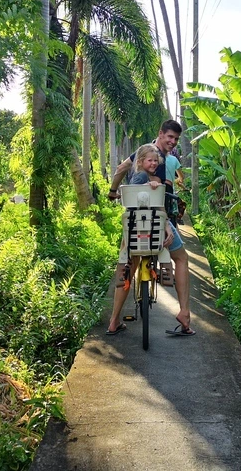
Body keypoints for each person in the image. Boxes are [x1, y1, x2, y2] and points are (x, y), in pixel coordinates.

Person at [106, 120, 194, 336]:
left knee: (127, 264)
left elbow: (120, 168)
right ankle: (184, 312)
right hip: (158, 221)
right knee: (181, 258)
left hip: (134, 223)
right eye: (170, 137)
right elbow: (156, 198)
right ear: (161, 133)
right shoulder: (161, 160)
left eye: (175, 138)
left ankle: (114, 320)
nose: (172, 142)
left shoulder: (142, 153)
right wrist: (167, 224)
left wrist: (112, 191)